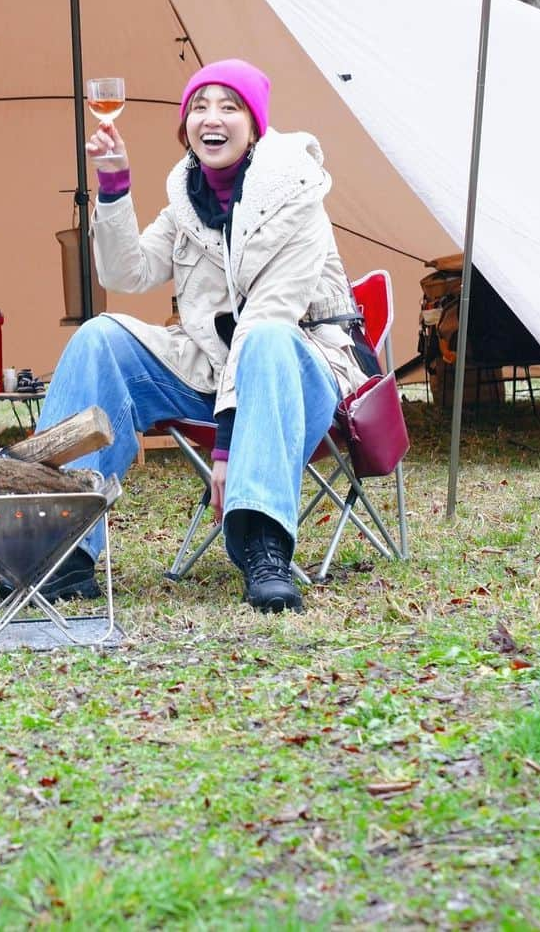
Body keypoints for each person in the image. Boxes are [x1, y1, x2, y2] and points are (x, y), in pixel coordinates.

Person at [31, 58, 369, 613]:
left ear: (255, 125)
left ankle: (264, 546)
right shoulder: (187, 201)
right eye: (199, 107)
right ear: (185, 123)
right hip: (215, 369)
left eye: (229, 106)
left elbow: (268, 319)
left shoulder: (298, 198)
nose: (212, 118)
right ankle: (59, 543)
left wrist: (228, 445)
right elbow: (125, 275)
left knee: (264, 342)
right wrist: (114, 187)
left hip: (300, 366)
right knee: (100, 336)